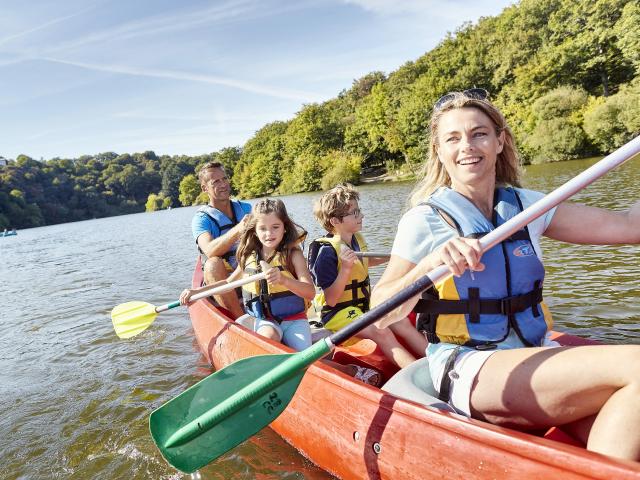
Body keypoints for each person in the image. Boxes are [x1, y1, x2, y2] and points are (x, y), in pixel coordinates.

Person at [370, 89, 640, 461]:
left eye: (479, 133)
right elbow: (381, 312)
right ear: (440, 151)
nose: (467, 145)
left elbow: (629, 227)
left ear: (500, 141)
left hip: (537, 352)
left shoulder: (528, 207)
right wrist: (428, 266)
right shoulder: (425, 219)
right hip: (468, 366)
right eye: (453, 138)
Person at [182, 198, 381, 385]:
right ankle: (290, 360)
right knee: (268, 340)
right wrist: (196, 292)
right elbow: (228, 283)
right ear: (255, 230)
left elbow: (310, 292)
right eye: (263, 229)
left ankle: (350, 371)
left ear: (285, 227)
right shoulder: (250, 256)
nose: (269, 234)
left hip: (294, 319)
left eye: (275, 227)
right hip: (266, 320)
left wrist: (284, 280)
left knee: (303, 358)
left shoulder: (293, 256)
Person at [309, 184, 428, 369]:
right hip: (336, 314)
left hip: (361, 307)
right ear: (335, 221)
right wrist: (346, 269)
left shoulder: (356, 240)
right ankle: (419, 376)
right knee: (381, 331)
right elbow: (331, 299)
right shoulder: (326, 252)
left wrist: (403, 257)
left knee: (399, 320)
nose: (361, 216)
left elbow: (364, 263)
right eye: (355, 213)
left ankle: (437, 367)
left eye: (359, 211)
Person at [192, 162, 252, 318]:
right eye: (216, 182)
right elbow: (210, 250)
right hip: (222, 280)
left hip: (247, 270)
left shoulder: (246, 208)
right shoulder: (201, 220)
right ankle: (241, 320)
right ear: (205, 188)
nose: (223, 184)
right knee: (213, 264)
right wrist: (239, 229)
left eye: (224, 179)